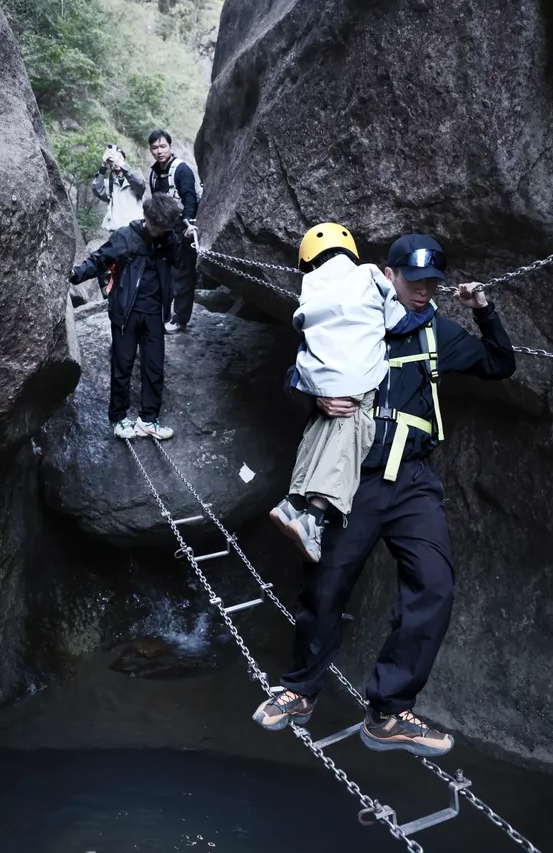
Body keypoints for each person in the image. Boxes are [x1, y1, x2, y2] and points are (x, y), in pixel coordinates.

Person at [253, 232, 516, 759]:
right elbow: (292, 376)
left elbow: (499, 364)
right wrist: (315, 392)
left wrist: (483, 310)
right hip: (360, 479)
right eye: (414, 282)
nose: (423, 291)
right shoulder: (352, 319)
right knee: (325, 586)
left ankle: (390, 710)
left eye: (431, 284)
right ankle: (300, 690)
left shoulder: (436, 330)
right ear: (388, 275)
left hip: (415, 480)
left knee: (434, 586)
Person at [269, 223, 439, 563]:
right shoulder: (370, 277)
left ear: (310, 261)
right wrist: (430, 311)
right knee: (354, 434)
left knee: (321, 429)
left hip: (319, 375)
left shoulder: (311, 287)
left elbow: (303, 332)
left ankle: (293, 503)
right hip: (358, 378)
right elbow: (398, 322)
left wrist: (315, 387)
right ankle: (314, 518)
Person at [69, 193, 184, 441]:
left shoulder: (169, 239)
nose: (158, 231)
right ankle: (119, 418)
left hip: (154, 313)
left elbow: (179, 261)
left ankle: (148, 419)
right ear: (147, 217)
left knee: (154, 367)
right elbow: (99, 260)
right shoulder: (125, 236)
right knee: (123, 366)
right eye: (155, 225)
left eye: (163, 227)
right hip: (126, 312)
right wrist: (75, 274)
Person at [148, 129, 201, 334]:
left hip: (181, 229)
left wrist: (189, 225)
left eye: (163, 146)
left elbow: (189, 199)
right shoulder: (154, 174)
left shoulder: (181, 170)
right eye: (155, 147)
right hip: (163, 231)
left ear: (171, 147)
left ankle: (180, 318)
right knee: (163, 274)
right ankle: (164, 315)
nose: (159, 151)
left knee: (182, 274)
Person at [92, 145, 146, 232]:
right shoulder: (109, 183)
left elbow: (140, 185)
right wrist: (103, 167)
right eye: (113, 159)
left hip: (137, 229)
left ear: (124, 160)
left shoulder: (135, 175)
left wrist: (122, 165)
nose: (116, 161)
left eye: (120, 157)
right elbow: (97, 191)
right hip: (117, 231)